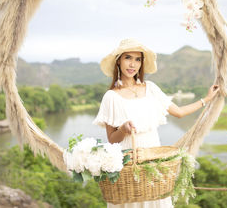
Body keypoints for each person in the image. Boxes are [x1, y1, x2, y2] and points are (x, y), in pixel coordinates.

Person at [93, 38, 219, 208]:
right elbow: (112, 139)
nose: (133, 64)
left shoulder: (151, 88)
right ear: (118, 61)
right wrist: (123, 129)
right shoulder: (111, 97)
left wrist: (207, 99)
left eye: (138, 59)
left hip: (154, 163)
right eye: (128, 58)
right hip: (129, 169)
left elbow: (179, 112)